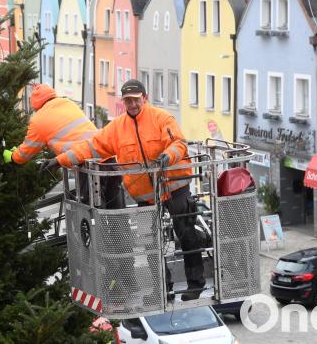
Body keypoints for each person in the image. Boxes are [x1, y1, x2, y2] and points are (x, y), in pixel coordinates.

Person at [42, 79, 204, 301]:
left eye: (136, 100)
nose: (132, 104)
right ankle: (161, 290)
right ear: (123, 102)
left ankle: (195, 285)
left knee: (186, 233)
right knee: (149, 245)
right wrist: (58, 160)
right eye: (128, 100)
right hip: (146, 197)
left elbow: (179, 143)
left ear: (144, 98)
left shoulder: (161, 118)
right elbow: (90, 147)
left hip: (175, 187)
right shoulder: (117, 128)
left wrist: (169, 156)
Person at [4, 83, 123, 209]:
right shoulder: (68, 103)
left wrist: (12, 156)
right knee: (116, 212)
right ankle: (121, 228)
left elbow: (25, 153)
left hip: (87, 164)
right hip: (108, 158)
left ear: (35, 104)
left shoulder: (38, 120)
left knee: (93, 213)